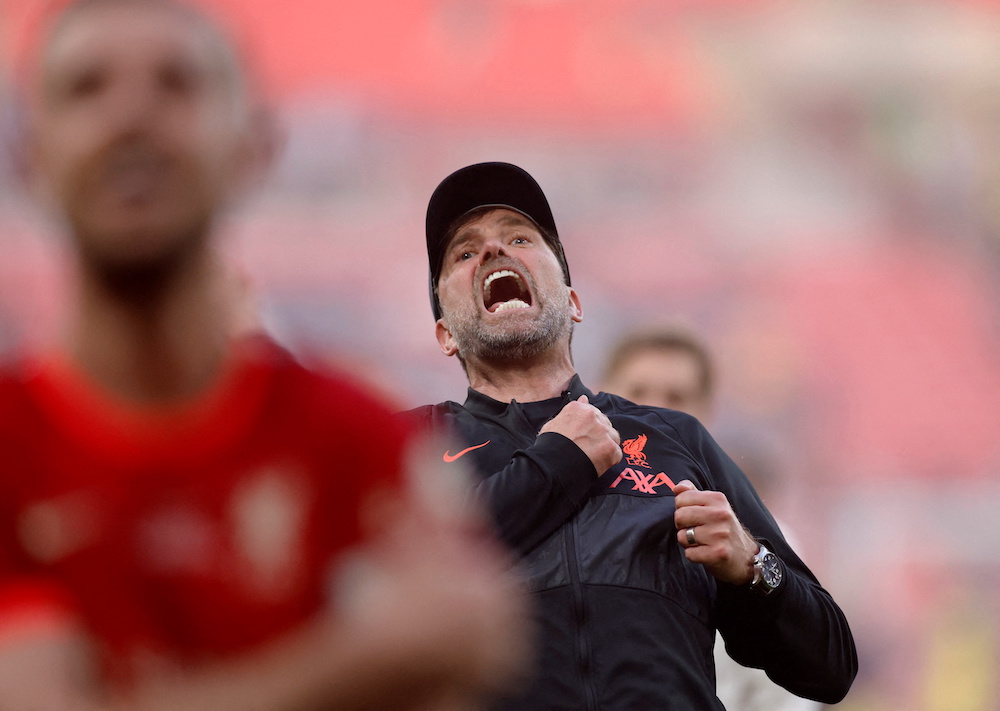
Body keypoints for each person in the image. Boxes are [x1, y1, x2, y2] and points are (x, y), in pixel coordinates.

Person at [0, 3, 529, 711]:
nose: (132, 117)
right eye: (87, 87)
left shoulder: (357, 443)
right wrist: (364, 659)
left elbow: (463, 648)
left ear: (256, 146)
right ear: (30, 154)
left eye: (177, 84)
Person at [408, 161, 858, 710]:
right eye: (463, 251)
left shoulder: (675, 437)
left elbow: (831, 666)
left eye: (520, 237)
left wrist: (750, 566)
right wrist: (558, 462)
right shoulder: (413, 443)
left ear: (573, 303)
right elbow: (394, 595)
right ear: (445, 335)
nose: (494, 251)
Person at [601, 325, 823, 711]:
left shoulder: (760, 542)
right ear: (600, 398)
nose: (653, 410)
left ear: (707, 413)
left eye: (676, 397)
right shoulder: (566, 520)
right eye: (636, 392)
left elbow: (786, 695)